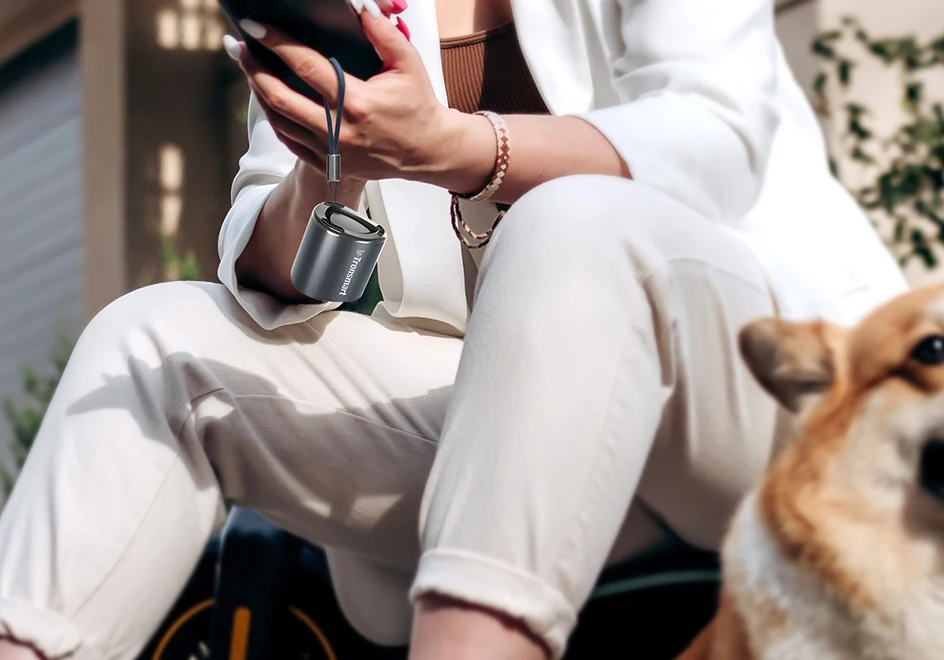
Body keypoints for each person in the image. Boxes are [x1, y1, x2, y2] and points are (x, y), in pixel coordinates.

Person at [0, 0, 909, 658]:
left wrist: (456, 151)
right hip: (517, 432)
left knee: (569, 220)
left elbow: (714, 135)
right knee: (154, 338)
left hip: (749, 400)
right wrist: (333, 164)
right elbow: (278, 276)